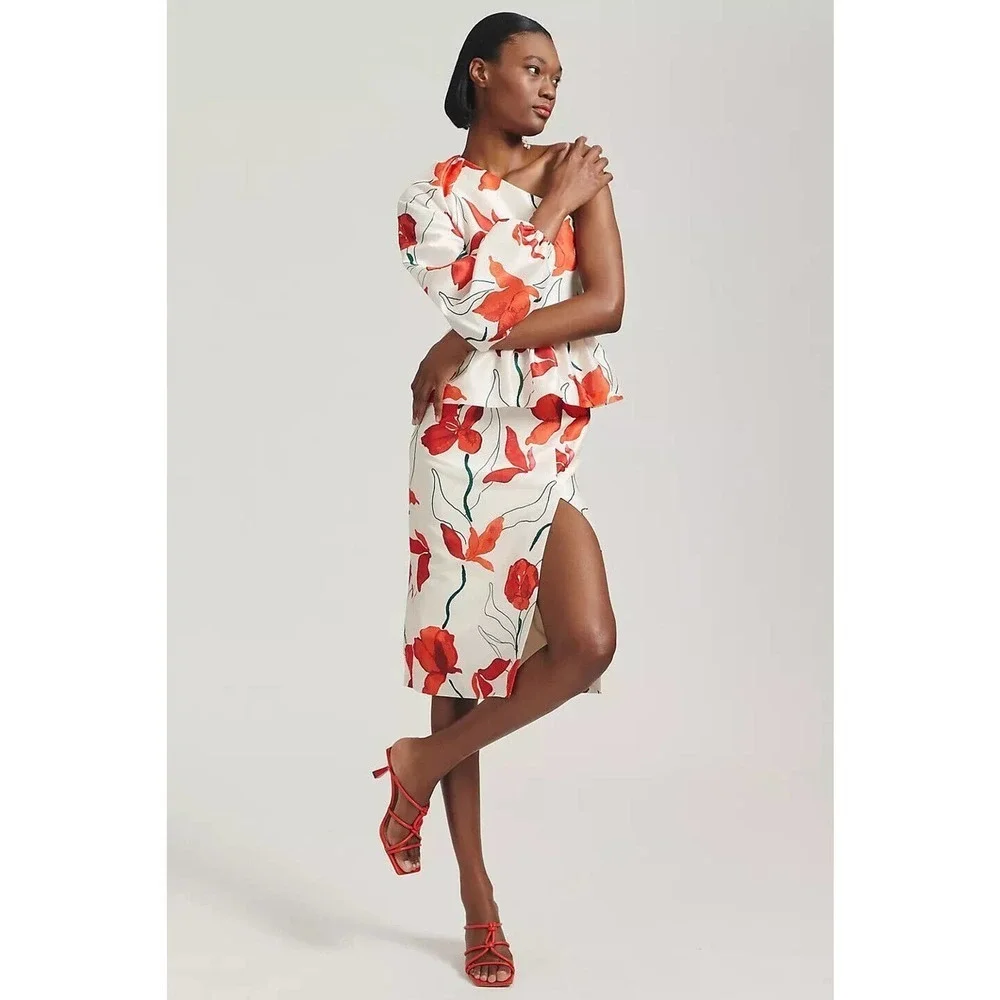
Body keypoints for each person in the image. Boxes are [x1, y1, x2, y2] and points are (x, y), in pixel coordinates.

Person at [378, 11, 626, 987]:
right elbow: (475, 303)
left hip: (543, 442)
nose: (550, 87)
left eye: (557, 73)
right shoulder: (427, 200)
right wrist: (548, 215)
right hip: (457, 448)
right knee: (462, 663)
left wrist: (465, 340)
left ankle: (417, 765)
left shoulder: (579, 167)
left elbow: (605, 303)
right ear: (481, 74)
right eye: (532, 68)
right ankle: (478, 902)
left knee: (587, 639)